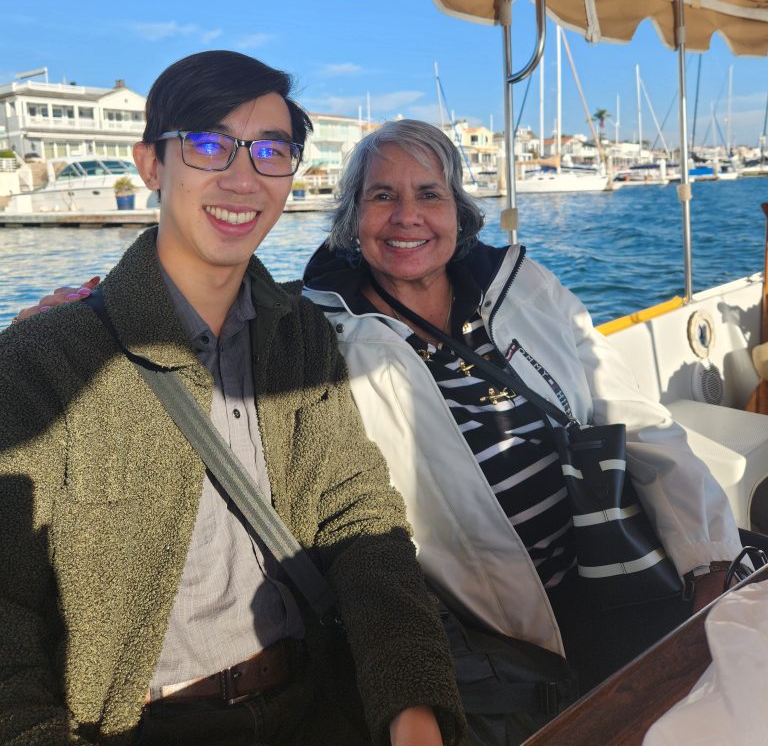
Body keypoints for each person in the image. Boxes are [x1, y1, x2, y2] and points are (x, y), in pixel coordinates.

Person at [0, 56, 465, 746]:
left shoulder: (299, 334)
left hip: (315, 699)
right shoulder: (47, 361)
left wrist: (413, 707)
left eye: (271, 150)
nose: (243, 178)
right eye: (210, 144)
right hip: (138, 724)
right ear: (151, 164)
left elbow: (356, 514)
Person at [299, 120, 742, 693]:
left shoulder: (520, 285)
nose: (407, 215)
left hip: (619, 569)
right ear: (352, 219)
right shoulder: (323, 337)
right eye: (382, 195)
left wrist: (708, 560)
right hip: (492, 640)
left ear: (458, 211)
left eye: (429, 194)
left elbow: (636, 419)